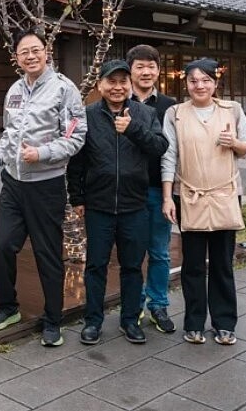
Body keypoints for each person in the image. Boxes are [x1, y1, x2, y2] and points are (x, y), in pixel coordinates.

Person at [0, 28, 86, 347]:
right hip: (13, 183)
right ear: (16, 57)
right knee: (3, 246)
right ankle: (8, 308)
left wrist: (42, 153)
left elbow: (76, 138)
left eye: (36, 50)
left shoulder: (64, 89)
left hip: (46, 186)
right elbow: (9, 135)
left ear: (46, 51)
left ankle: (53, 319)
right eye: (24, 52)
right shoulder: (15, 90)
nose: (31, 56)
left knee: (47, 254)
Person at [67, 60, 168, 346]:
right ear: (100, 85)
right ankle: (93, 322)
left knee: (133, 266)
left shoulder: (145, 114)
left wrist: (133, 129)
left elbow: (160, 147)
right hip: (98, 205)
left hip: (135, 204)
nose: (117, 87)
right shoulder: (87, 116)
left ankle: (129, 320)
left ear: (130, 85)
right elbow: (76, 161)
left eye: (123, 81)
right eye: (111, 81)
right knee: (96, 266)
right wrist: (77, 197)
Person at [161, 58, 246, 346]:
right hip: (189, 195)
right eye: (193, 80)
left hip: (225, 194)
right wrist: (167, 196)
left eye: (205, 80)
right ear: (186, 84)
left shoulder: (233, 110)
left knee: (222, 263)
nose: (199, 85)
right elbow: (168, 155)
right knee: (191, 264)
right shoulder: (175, 114)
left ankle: (225, 323)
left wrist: (234, 144)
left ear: (215, 83)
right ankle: (193, 324)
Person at [126, 44, 178, 334]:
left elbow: (173, 150)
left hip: (159, 189)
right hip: (127, 191)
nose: (146, 72)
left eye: (151, 67)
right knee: (131, 254)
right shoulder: (118, 100)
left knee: (160, 252)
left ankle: (158, 304)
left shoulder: (170, 106)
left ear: (159, 70)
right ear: (131, 70)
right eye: (140, 67)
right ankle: (131, 307)